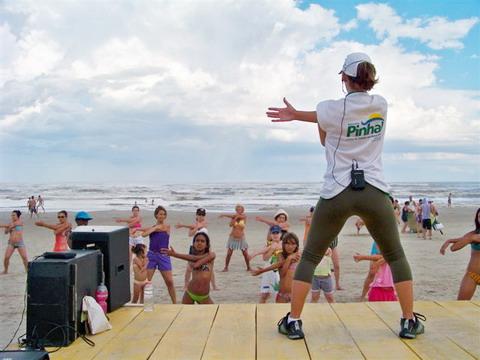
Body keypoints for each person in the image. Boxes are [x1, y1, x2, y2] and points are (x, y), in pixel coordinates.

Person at [267, 52, 424, 339]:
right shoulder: (381, 104)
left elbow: (324, 139)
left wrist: (301, 115)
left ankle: (294, 320)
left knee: (311, 256)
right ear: (371, 79)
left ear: (344, 78)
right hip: (374, 190)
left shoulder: (328, 109)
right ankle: (408, 320)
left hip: (337, 190)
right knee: (396, 255)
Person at [162, 231, 216, 304]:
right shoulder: (194, 258)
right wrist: (175, 254)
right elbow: (195, 260)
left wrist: (175, 254)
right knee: (184, 314)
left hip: (204, 296)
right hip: (190, 293)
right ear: (193, 243)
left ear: (207, 245)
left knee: (213, 313)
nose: (199, 243)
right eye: (197, 241)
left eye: (202, 241)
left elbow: (197, 262)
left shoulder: (211, 256)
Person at [440, 208, 480, 300]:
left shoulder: (473, 236)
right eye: (479, 217)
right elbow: (454, 248)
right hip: (473, 275)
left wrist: (470, 239)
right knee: (461, 304)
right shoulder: (473, 234)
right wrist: (449, 240)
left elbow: (467, 239)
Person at [139, 206, 176, 304]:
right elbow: (144, 235)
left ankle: (175, 303)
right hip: (152, 255)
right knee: (146, 281)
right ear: (156, 215)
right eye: (160, 214)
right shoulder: (153, 227)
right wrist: (154, 228)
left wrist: (154, 228)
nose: (162, 216)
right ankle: (141, 302)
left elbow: (160, 228)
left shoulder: (167, 227)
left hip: (163, 255)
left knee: (169, 281)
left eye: (164, 214)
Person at [176, 208, 218, 290]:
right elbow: (190, 234)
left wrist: (183, 225)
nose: (201, 216)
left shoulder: (205, 223)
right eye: (199, 214)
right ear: (196, 215)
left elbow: (199, 226)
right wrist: (194, 228)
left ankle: (214, 286)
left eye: (202, 215)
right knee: (189, 268)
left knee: (209, 267)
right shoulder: (193, 225)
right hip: (194, 248)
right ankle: (185, 285)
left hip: (205, 247)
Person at [252, 232, 301, 303]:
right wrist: (289, 259)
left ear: (297, 245)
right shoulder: (280, 255)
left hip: (296, 294)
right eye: (287, 243)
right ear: (283, 244)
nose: (290, 246)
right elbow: (282, 274)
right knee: (279, 313)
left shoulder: (299, 256)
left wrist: (263, 270)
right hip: (282, 295)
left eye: (293, 244)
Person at [249, 225, 283, 303]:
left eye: (277, 233)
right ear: (270, 234)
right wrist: (271, 249)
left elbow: (279, 248)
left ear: (280, 234)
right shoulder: (268, 245)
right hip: (267, 272)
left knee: (278, 294)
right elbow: (265, 258)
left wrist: (256, 253)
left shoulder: (283, 244)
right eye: (273, 233)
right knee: (264, 294)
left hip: (278, 272)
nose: (275, 235)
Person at [219, 204, 250, 272]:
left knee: (245, 253)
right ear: (236, 210)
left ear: (242, 210)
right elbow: (230, 225)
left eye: (240, 209)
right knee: (229, 253)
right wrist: (234, 218)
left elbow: (239, 216)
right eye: (237, 209)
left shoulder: (244, 216)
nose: (239, 211)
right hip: (232, 237)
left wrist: (225, 215)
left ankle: (249, 267)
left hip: (241, 238)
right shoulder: (234, 217)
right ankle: (226, 267)